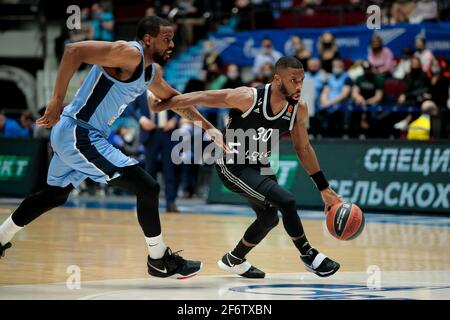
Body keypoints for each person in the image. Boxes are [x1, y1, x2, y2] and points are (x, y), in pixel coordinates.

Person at [0, 16, 225, 279]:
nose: (172, 44)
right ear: (148, 39)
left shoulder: (150, 72)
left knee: (55, 195)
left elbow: (174, 100)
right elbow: (75, 51)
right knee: (148, 187)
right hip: (79, 133)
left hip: (79, 134)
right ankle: (158, 259)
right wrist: (57, 100)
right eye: (166, 38)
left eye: (172, 38)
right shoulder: (129, 53)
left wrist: (208, 126)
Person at [153, 56, 342, 278]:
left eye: (301, 80)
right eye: (294, 80)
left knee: (269, 217)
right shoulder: (248, 97)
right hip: (232, 165)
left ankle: (234, 259)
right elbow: (202, 96)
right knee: (287, 201)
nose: (299, 86)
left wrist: (323, 188)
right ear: (278, 79)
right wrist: (164, 104)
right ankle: (308, 255)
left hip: (260, 164)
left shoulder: (298, 109)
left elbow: (304, 149)